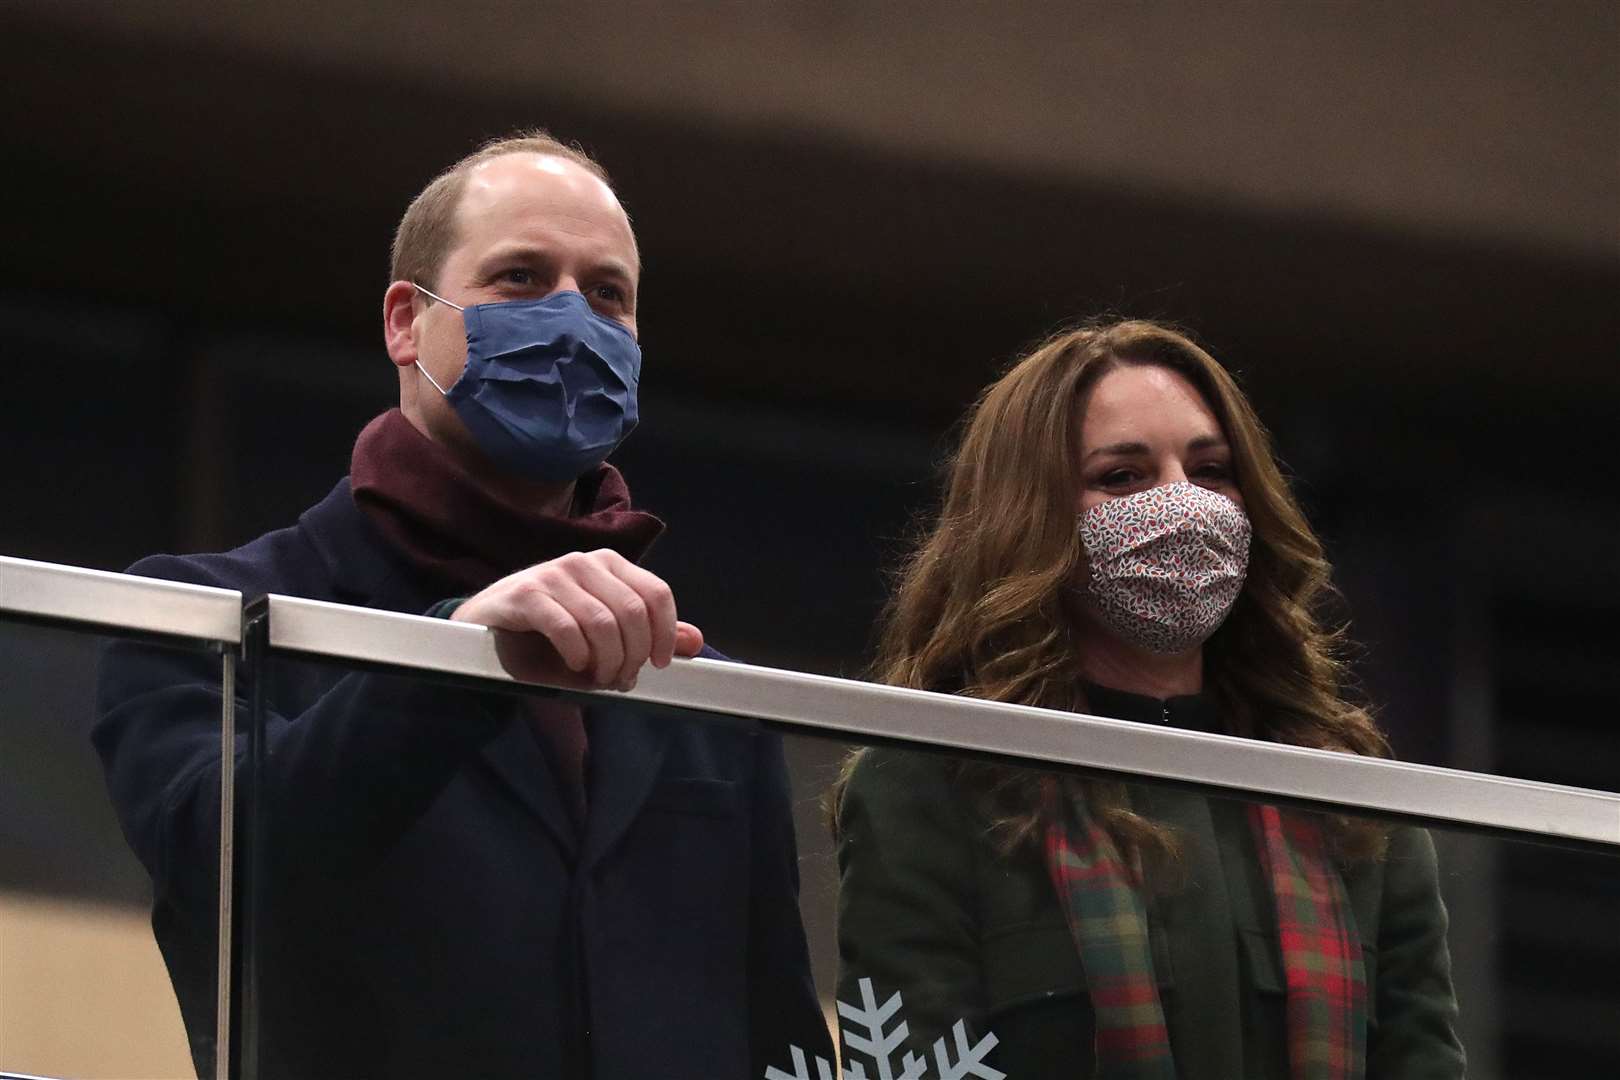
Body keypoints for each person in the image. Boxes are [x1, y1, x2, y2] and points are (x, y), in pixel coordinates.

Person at [94, 130, 831, 1079]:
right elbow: (217, 871)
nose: (573, 320)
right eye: (521, 278)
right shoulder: (203, 615)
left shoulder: (704, 695)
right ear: (406, 321)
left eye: (608, 294)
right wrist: (449, 657)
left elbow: (776, 1031)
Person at [831, 319, 1465, 1079]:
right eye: (1123, 477)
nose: (1181, 504)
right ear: (1028, 522)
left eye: (1211, 470)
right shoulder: (935, 788)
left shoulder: (1353, 807)